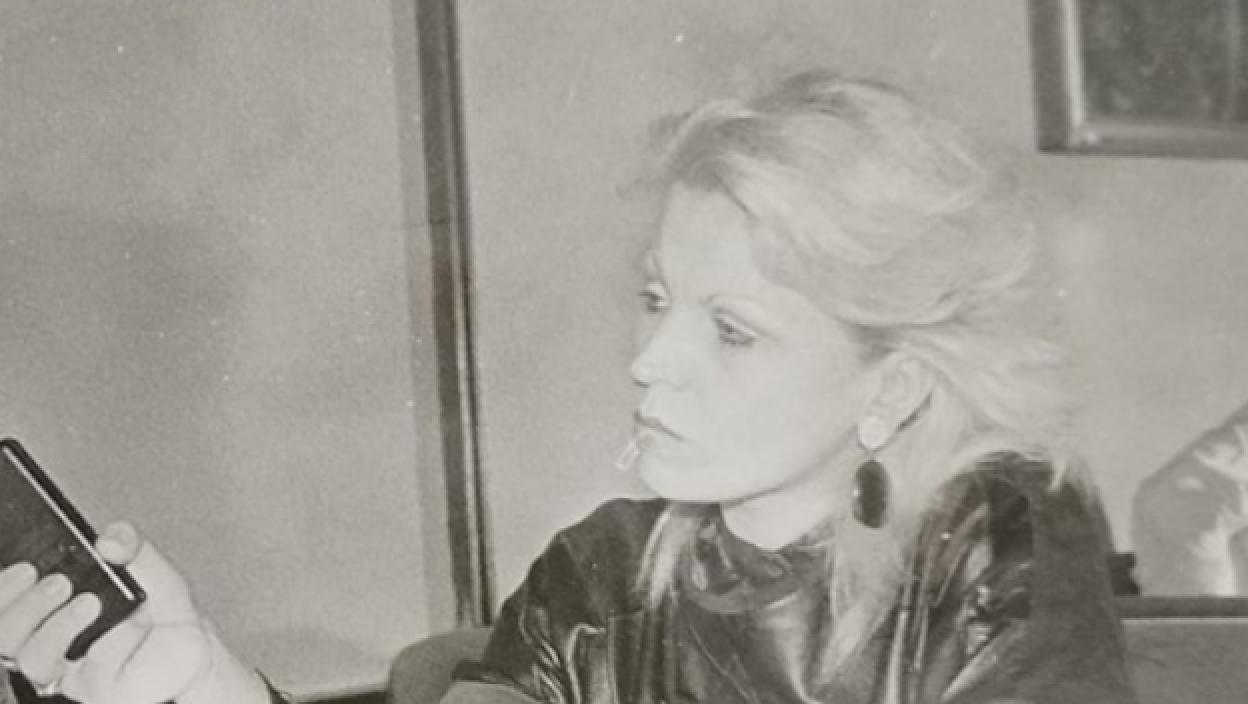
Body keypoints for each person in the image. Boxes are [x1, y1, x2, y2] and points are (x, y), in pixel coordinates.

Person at [0, 71, 1134, 704]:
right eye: (656, 297)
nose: (650, 358)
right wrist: (200, 679)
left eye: (731, 329)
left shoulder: (999, 547)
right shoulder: (598, 582)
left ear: (893, 386)